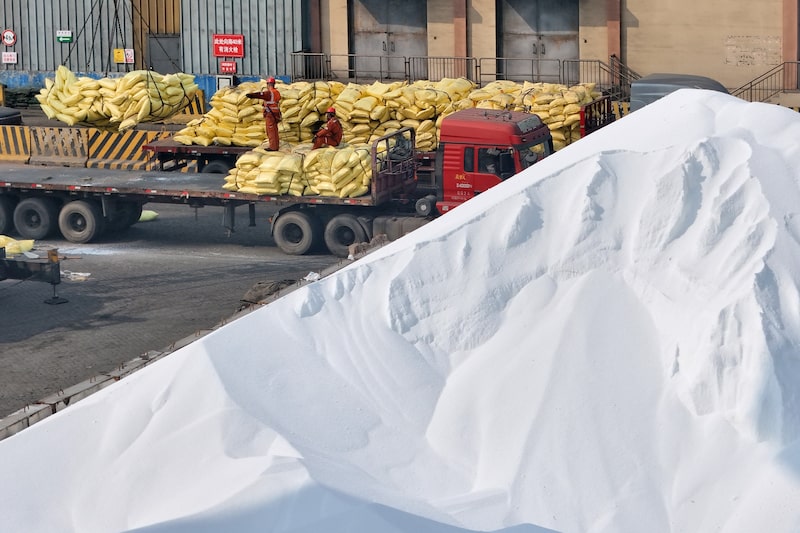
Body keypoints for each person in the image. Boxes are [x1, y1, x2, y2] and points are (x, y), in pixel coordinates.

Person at [246, 76, 282, 150]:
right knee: (274, 130)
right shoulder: (276, 92)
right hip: (275, 114)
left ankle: (273, 147)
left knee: (271, 131)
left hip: (270, 114)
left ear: (268, 84)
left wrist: (252, 95)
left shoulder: (270, 93)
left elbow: (261, 95)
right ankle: (275, 145)